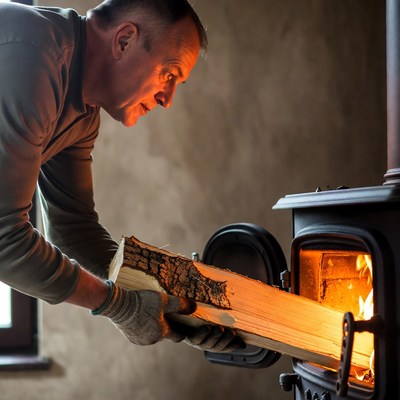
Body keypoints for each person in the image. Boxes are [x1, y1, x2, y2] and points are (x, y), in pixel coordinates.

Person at [0, 0, 245, 353]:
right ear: (125, 40)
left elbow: (73, 228)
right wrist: (120, 305)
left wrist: (171, 301)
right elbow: (4, 238)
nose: (168, 99)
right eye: (169, 74)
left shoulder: (82, 116)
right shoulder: (34, 56)